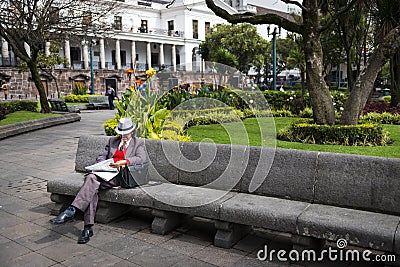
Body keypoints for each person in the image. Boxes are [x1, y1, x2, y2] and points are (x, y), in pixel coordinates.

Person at [49, 118, 147, 244]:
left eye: (126, 133)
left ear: (132, 132)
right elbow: (102, 156)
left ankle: (72, 210)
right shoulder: (113, 141)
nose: (123, 136)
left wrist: (124, 162)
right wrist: (102, 164)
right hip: (105, 174)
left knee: (91, 179)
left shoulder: (138, 143)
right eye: (121, 133)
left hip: (121, 177)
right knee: (92, 187)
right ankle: (87, 228)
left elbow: (141, 159)